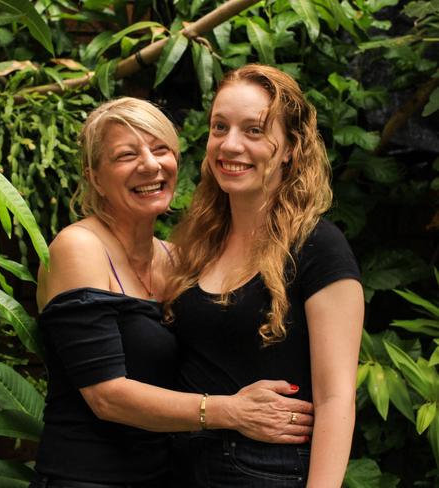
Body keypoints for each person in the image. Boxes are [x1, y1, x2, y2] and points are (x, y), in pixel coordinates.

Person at [30, 97, 315, 488]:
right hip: (85, 477)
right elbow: (106, 396)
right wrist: (231, 411)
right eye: (126, 154)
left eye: (160, 149)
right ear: (95, 177)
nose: (150, 164)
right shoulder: (79, 247)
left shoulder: (178, 259)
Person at [166, 64, 364, 487]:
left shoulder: (318, 248)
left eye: (253, 131)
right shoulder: (199, 241)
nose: (230, 145)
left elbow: (335, 399)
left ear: (291, 147)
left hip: (264, 471)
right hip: (180, 466)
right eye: (220, 127)